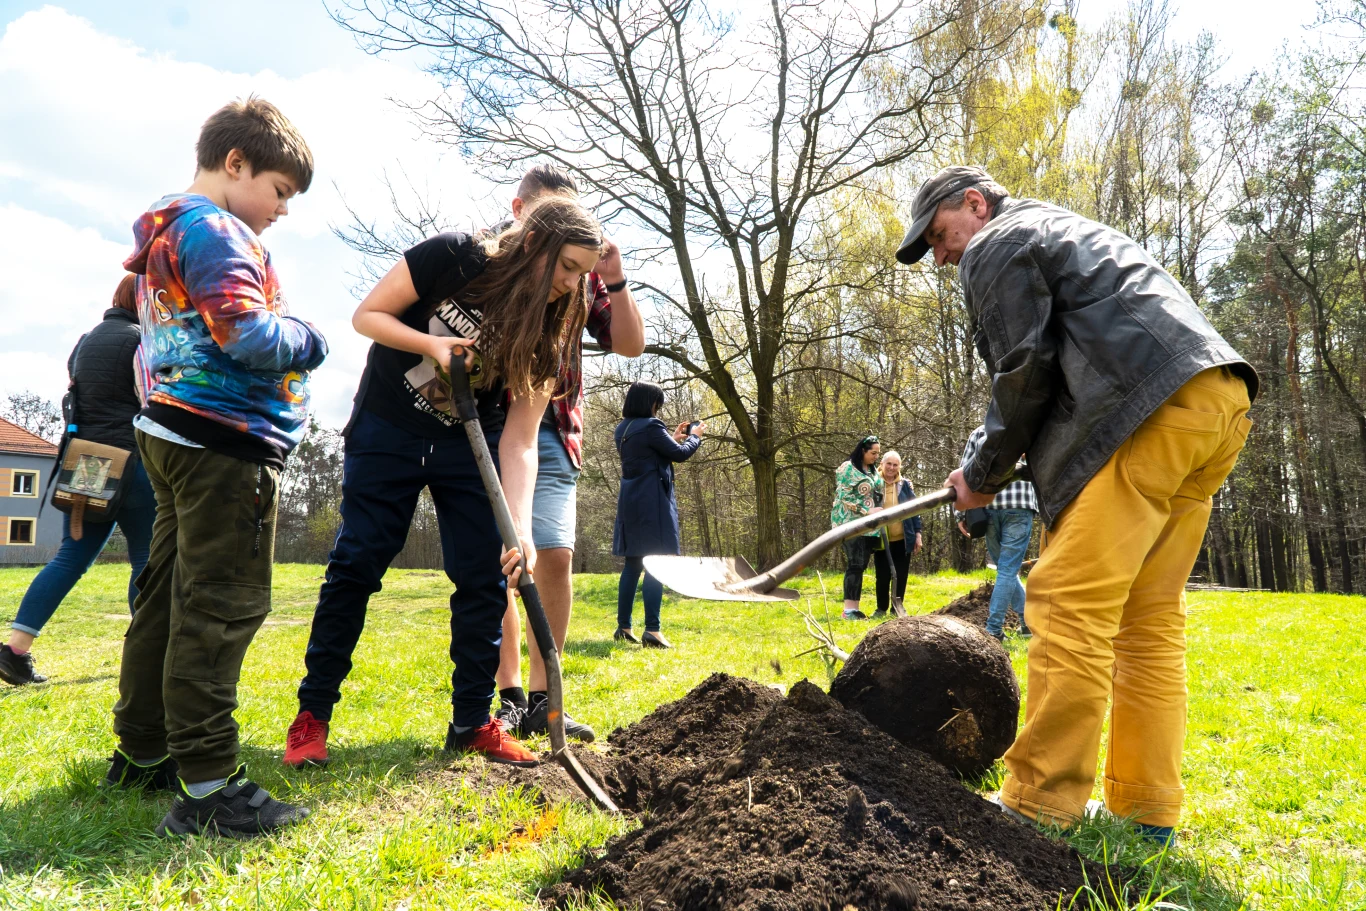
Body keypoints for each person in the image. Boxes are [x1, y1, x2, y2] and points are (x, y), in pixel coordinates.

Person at [899, 165, 1256, 843]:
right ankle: (1145, 810)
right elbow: (1049, 365)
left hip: (1142, 408)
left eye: (940, 236)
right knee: (1147, 619)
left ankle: (1036, 801)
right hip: (1215, 399)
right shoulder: (1064, 230)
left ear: (974, 204)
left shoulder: (997, 242)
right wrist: (988, 454)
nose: (942, 256)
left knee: (1065, 602)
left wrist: (980, 471)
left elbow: (1023, 369)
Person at [284, 195, 605, 774]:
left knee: (485, 576)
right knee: (357, 565)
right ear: (534, 242)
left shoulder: (550, 327)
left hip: (468, 441)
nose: (572, 283)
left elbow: (524, 438)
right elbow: (368, 316)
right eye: (566, 266)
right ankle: (313, 717)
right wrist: (433, 345)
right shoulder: (455, 256)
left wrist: (521, 528)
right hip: (387, 427)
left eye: (582, 272)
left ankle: (472, 722)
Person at [112, 97, 328, 838]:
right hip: (224, 444)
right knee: (221, 606)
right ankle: (208, 785)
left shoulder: (169, 230)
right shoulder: (217, 230)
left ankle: (143, 751)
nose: (282, 211)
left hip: (173, 432)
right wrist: (310, 337)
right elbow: (246, 334)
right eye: (280, 191)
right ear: (236, 164)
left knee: (168, 597)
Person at [490, 165, 646, 744]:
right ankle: (505, 698)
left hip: (554, 429)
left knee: (553, 555)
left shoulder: (586, 274)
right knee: (499, 563)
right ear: (520, 211)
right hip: (488, 428)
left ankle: (541, 697)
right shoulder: (492, 261)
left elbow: (628, 345)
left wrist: (616, 277)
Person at [0, 276, 157, 687]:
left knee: (70, 558)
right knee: (147, 556)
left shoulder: (87, 340)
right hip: (131, 458)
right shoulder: (143, 341)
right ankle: (144, 659)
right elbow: (153, 401)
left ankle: (14, 651)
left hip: (88, 460)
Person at [612, 381, 704, 649]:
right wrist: (694, 436)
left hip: (630, 501)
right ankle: (653, 630)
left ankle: (624, 627)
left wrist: (671, 437)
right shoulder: (652, 427)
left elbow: (651, 454)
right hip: (653, 503)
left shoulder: (623, 428)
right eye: (657, 404)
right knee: (657, 563)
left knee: (632, 566)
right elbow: (680, 455)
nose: (658, 408)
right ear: (650, 403)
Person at [954, 425, 1036, 641]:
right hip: (1020, 506)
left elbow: (964, 473)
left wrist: (960, 514)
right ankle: (994, 631)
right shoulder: (1028, 430)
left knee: (1005, 570)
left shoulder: (981, 433)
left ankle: (1026, 624)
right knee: (1007, 570)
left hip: (988, 506)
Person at [830, 435, 884, 621]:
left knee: (861, 564)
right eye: (873, 453)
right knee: (855, 564)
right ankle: (849, 610)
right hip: (849, 522)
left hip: (870, 526)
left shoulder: (872, 470)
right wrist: (866, 511)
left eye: (878, 453)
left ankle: (855, 608)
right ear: (863, 450)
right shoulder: (848, 468)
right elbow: (844, 496)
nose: (876, 456)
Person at [870, 449, 921, 618]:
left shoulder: (905, 485)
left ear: (899, 466)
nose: (892, 468)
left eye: (895, 465)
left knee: (900, 574)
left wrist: (918, 534)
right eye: (889, 464)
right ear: (882, 464)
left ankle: (896, 608)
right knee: (882, 575)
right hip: (881, 538)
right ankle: (881, 608)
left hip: (902, 538)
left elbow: (915, 510)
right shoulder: (873, 483)